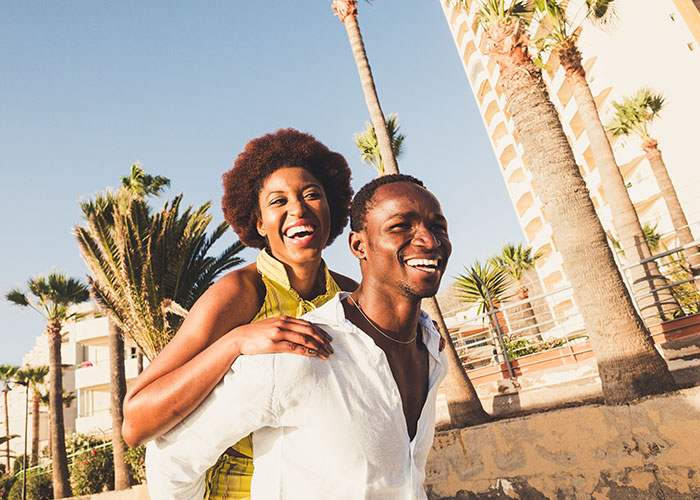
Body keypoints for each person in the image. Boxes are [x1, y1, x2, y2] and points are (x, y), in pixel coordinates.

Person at [146, 174, 452, 500]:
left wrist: (423, 329)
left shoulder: (430, 351)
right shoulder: (290, 347)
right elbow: (170, 455)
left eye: (439, 227)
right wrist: (233, 342)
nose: (430, 241)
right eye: (401, 226)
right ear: (358, 245)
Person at [122, 128, 357, 499]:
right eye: (278, 201)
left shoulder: (349, 296)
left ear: (333, 206)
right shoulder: (242, 292)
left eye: (312, 194)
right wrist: (236, 341)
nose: (298, 208)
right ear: (259, 223)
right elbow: (135, 422)